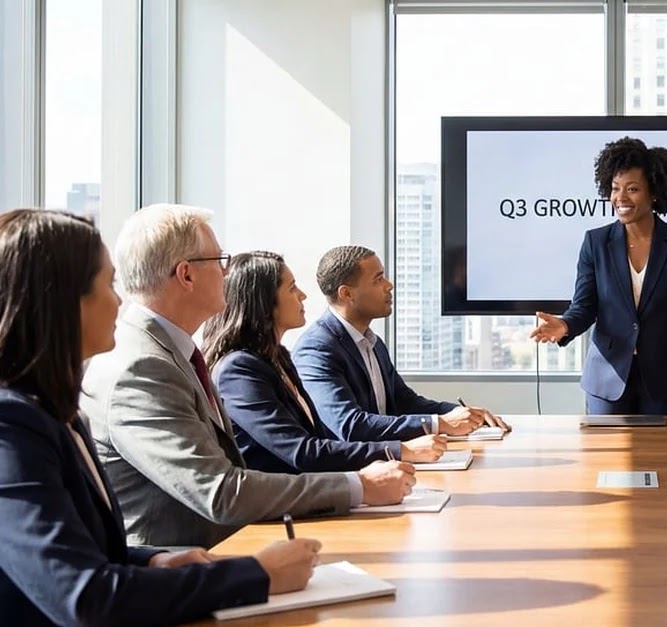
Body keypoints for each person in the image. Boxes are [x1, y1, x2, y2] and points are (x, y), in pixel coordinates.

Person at [0, 209, 320, 626]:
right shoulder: (11, 426)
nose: (120, 300)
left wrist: (151, 560)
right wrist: (257, 574)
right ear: (60, 302)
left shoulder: (53, 410)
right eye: (107, 284)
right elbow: (84, 597)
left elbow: (81, 548)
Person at [81, 205, 415, 548]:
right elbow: (221, 491)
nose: (228, 273)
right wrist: (359, 486)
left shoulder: (173, 352)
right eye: (219, 261)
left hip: (228, 548)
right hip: (184, 570)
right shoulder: (141, 367)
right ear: (186, 275)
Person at [205, 252, 448, 474]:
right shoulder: (239, 370)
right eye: (291, 288)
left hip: (317, 491)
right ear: (264, 302)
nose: (303, 294)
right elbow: (303, 452)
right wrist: (399, 451)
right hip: (282, 511)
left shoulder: (279, 358)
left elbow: (317, 443)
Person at [530, 137, 667, 419]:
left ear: (654, 193)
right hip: (607, 381)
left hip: (662, 382)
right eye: (615, 189)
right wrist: (565, 325)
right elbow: (585, 306)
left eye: (633, 189)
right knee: (605, 460)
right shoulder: (595, 242)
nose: (621, 198)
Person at [293, 245, 510, 442]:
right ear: (347, 293)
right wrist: (440, 424)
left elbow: (404, 402)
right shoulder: (316, 348)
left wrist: (466, 415)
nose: (389, 285)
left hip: (389, 463)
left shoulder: (372, 342)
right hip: (354, 475)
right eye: (378, 279)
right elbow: (349, 426)